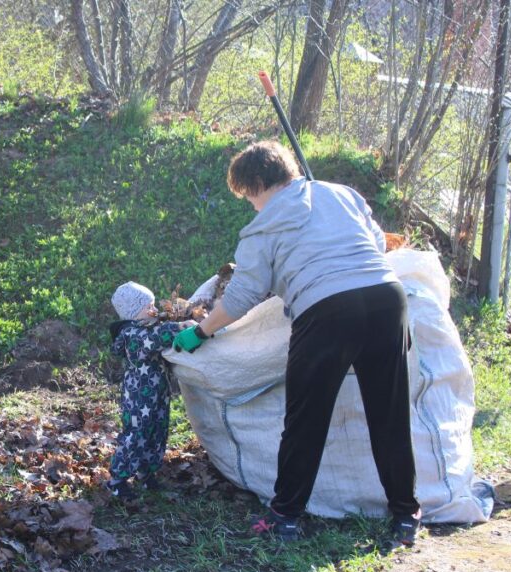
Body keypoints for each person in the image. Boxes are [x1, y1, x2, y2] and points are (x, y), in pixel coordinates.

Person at [172, 140, 421, 546]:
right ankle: (405, 515)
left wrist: (201, 331)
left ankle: (285, 516)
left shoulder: (263, 227)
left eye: (248, 196)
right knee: (389, 413)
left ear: (257, 183)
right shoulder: (340, 194)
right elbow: (376, 242)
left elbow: (240, 297)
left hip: (327, 312)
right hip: (386, 299)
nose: (251, 205)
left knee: (306, 418)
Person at [107, 281, 194, 501]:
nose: (154, 310)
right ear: (133, 312)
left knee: (157, 431)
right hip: (138, 398)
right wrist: (183, 327)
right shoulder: (132, 335)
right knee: (137, 435)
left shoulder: (146, 327)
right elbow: (155, 339)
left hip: (157, 395)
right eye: (150, 306)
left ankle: (146, 472)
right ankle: (117, 480)